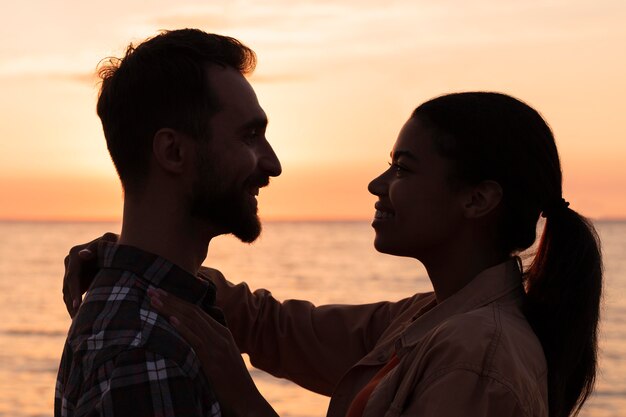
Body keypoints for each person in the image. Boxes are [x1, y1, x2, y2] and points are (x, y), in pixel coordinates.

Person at [64, 92, 603, 417]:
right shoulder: (431, 318)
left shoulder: (478, 355)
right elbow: (276, 327)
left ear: (478, 198)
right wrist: (131, 255)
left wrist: (243, 396)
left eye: (404, 169)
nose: (377, 183)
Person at [55, 29, 281, 417]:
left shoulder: (161, 311)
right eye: (250, 136)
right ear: (173, 152)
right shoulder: (145, 352)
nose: (273, 164)